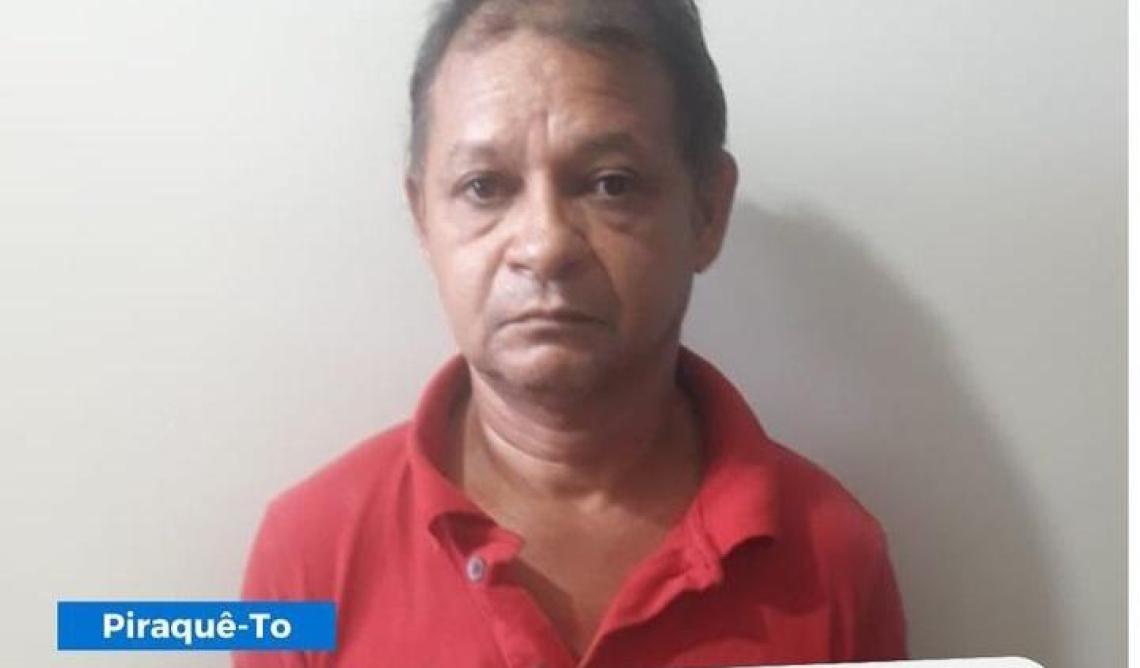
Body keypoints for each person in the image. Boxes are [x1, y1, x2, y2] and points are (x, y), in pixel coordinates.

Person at [235, 1, 907, 666]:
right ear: (423, 220)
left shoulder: (835, 557)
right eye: (484, 187)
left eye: (610, 184)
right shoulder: (306, 559)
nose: (545, 245)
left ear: (706, 211)